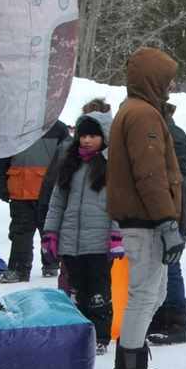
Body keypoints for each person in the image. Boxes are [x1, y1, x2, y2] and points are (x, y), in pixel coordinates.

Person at [105, 47, 185, 369]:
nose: (171, 86)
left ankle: (131, 364)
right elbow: (150, 174)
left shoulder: (136, 111)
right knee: (144, 295)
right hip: (147, 220)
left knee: (156, 293)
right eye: (167, 79)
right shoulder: (143, 116)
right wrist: (167, 221)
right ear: (153, 79)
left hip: (145, 219)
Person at [43, 112, 117, 348]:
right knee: (77, 292)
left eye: (93, 136)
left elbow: (119, 203)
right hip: (71, 241)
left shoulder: (112, 166)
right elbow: (57, 202)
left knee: (98, 293)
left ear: (104, 137)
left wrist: (116, 236)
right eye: (83, 135)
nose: (86, 140)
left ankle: (101, 336)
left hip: (98, 243)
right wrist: (51, 233)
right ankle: (80, 335)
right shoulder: (70, 163)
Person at [0, 122, 65, 283]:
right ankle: (50, 263)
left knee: (22, 231)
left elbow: (2, 161)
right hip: (44, 191)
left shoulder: (13, 126)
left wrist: (2, 184)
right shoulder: (58, 128)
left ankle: (19, 269)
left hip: (26, 189)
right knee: (46, 229)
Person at [149, 103, 186, 346]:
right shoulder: (167, 133)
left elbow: (174, 179)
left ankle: (176, 320)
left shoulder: (172, 136)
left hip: (173, 211)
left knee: (170, 266)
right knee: (161, 266)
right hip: (169, 208)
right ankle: (162, 316)